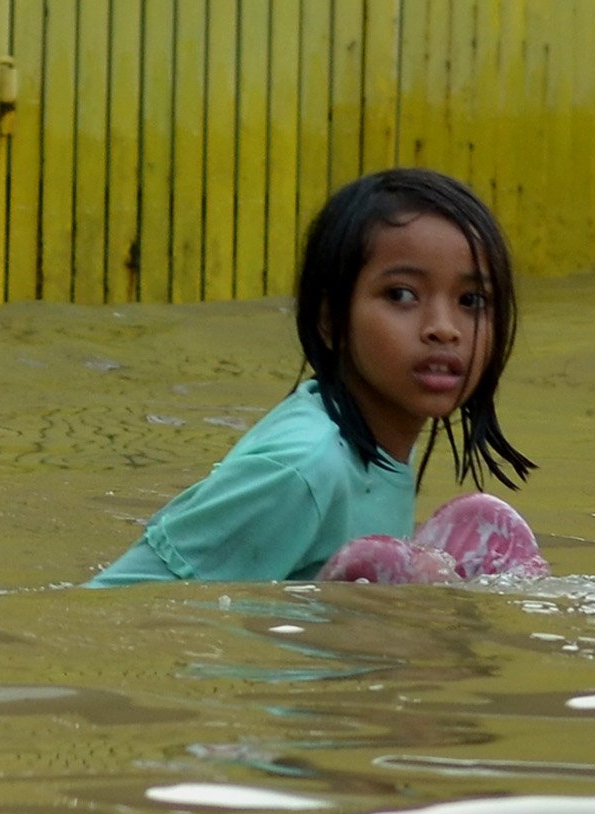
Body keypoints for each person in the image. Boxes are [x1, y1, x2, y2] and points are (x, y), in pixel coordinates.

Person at [89, 169, 550, 586]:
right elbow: (119, 608)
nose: (443, 328)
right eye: (402, 294)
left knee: (479, 532)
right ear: (330, 320)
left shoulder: (375, 448)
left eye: (471, 301)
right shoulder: (306, 468)